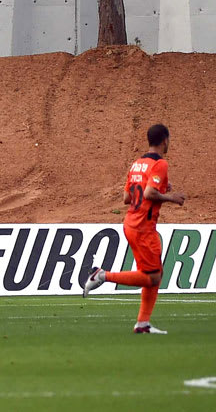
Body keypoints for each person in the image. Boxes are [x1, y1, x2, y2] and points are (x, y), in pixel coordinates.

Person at [82, 123, 187, 333]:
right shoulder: (160, 164)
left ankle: (142, 324)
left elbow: (127, 197)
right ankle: (102, 276)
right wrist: (171, 198)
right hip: (143, 227)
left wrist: (161, 189)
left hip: (131, 223)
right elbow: (148, 194)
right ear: (165, 140)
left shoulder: (137, 164)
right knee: (152, 277)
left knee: (154, 274)